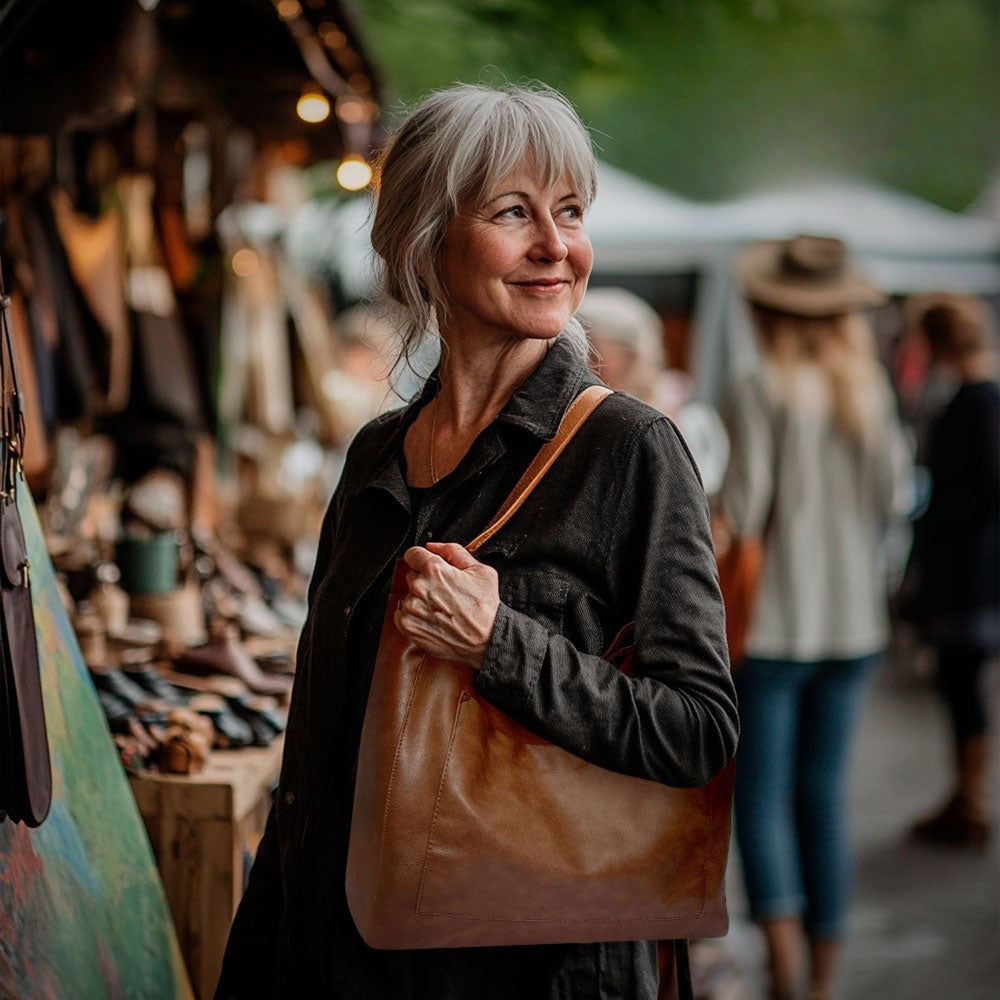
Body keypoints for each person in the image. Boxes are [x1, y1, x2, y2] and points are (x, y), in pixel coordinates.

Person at [214, 83, 739, 1000]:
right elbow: (314, 761)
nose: (557, 246)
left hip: (538, 965)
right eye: (513, 212)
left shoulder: (630, 449)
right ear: (424, 237)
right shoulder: (376, 456)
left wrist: (503, 645)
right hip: (347, 958)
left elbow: (698, 730)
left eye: (570, 212)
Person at [715, 235, 912, 1000]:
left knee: (760, 799)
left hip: (771, 628)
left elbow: (743, 507)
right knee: (824, 799)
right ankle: (824, 981)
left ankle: (787, 972)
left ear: (767, 307)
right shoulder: (869, 384)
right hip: (855, 624)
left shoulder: (756, 382)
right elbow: (896, 499)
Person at [901, 293, 999, 848]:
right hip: (968, 570)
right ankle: (965, 796)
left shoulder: (977, 401)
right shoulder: (971, 398)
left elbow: (985, 491)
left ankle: (971, 802)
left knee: (963, 687)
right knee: (959, 686)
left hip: (969, 574)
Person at [578, 285, 730, 496]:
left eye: (593, 352)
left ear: (629, 355)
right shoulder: (583, 410)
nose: (584, 364)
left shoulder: (686, 419)